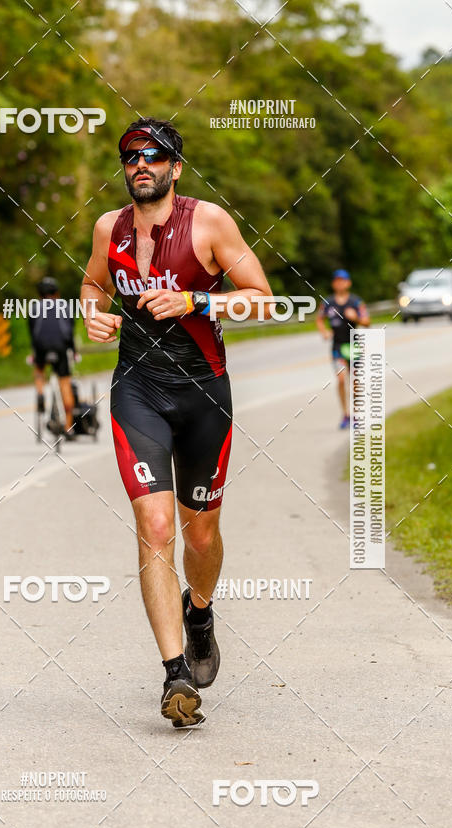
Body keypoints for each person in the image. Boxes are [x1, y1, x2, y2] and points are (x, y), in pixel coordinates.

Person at [80, 117, 273, 728]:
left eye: (154, 155)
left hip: (203, 394)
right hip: (137, 391)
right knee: (155, 525)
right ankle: (174, 675)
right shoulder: (108, 227)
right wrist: (92, 313)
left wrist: (196, 300)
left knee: (201, 536)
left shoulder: (209, 222)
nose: (141, 164)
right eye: (131, 156)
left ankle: (201, 613)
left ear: (176, 167)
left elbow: (264, 299)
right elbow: (93, 283)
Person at [316, 269, 370, 429]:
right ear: (333, 284)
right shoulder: (327, 303)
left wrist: (356, 318)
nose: (339, 283)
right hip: (337, 347)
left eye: (342, 280)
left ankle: (356, 415)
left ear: (348, 283)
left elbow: (367, 322)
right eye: (337, 280)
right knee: (341, 379)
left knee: (355, 382)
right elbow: (319, 319)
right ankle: (345, 414)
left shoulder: (356, 302)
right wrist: (324, 332)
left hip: (353, 345)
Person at [29, 276, 76, 440]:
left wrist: (35, 352)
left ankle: (40, 392)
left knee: (39, 369)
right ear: (57, 293)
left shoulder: (34, 307)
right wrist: (73, 351)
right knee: (65, 382)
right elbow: (70, 332)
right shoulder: (65, 306)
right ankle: (68, 426)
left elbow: (33, 334)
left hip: (41, 348)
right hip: (61, 347)